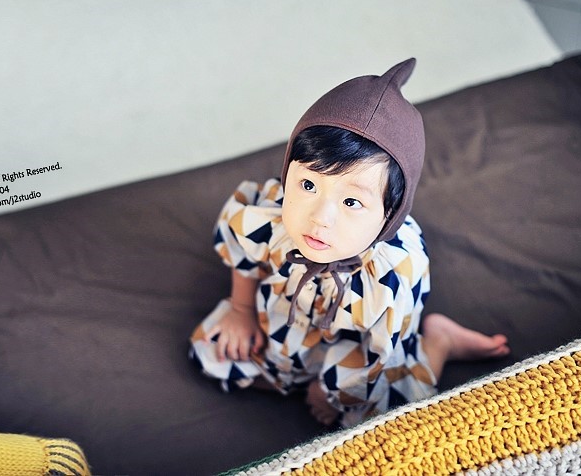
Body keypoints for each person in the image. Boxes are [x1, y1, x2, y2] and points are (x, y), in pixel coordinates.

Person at [189, 58, 509, 427]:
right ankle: (294, 378)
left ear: (389, 215)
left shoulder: (392, 275)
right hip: (283, 325)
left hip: (355, 350)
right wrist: (241, 310)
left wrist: (335, 394)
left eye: (352, 202)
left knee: (382, 419)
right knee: (209, 350)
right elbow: (240, 247)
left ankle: (438, 343)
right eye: (308, 185)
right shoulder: (270, 215)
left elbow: (380, 358)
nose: (320, 218)